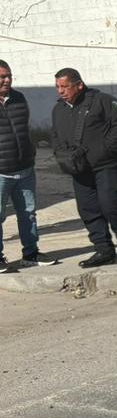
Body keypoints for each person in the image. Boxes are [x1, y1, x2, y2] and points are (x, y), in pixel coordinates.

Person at [51, 67, 117, 268]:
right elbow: (55, 134)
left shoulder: (102, 101)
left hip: (106, 164)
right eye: (57, 87)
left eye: (65, 86)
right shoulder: (59, 109)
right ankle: (103, 249)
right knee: (87, 208)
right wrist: (62, 155)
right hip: (79, 168)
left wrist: (105, 150)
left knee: (109, 203)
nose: (60, 91)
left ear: (79, 85)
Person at [0, 59, 55, 271]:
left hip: (24, 169)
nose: (7, 80)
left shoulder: (18, 98)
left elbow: (24, 130)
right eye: (2, 77)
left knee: (28, 213)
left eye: (9, 75)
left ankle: (31, 253)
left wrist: (30, 154)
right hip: (1, 173)